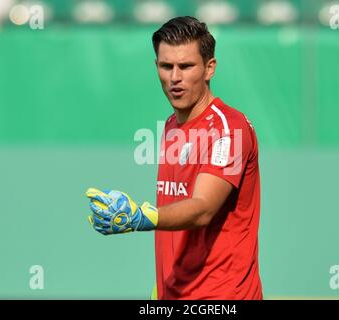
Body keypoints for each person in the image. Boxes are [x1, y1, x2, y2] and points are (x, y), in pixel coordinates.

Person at [86, 16, 262, 300]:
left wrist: (140, 217)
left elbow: (203, 208)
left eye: (186, 66)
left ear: (209, 68)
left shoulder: (229, 129)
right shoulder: (171, 126)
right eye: (166, 66)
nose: (175, 78)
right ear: (156, 67)